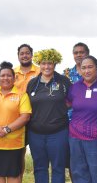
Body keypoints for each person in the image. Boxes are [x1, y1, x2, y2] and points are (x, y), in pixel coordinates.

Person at [0, 61, 32, 183]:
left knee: (14, 175)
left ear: (14, 78)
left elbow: (25, 117)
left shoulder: (22, 95)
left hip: (14, 143)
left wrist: (7, 129)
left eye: (9, 75)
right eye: (2, 75)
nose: (5, 78)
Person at [26, 49, 71, 183]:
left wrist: (59, 109)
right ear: (39, 64)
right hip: (35, 133)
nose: (46, 67)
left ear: (55, 64)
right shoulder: (32, 83)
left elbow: (73, 100)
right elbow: (27, 104)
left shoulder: (63, 81)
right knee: (40, 167)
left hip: (58, 132)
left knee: (58, 167)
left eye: (50, 63)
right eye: (43, 63)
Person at [66, 55, 97, 183]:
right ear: (79, 70)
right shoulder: (75, 87)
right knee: (78, 173)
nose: (86, 71)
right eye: (83, 68)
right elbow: (67, 104)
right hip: (75, 138)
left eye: (90, 67)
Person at [14, 44, 40, 180]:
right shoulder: (12, 73)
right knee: (19, 154)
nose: (24, 56)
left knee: (38, 154)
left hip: (37, 118)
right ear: (18, 56)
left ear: (32, 55)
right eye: (22, 53)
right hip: (18, 119)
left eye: (27, 53)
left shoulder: (40, 71)